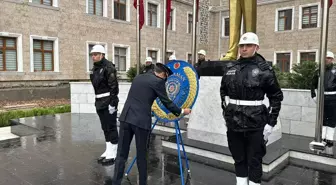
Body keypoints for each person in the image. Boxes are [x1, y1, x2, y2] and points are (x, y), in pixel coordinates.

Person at [220, 32, 283, 185]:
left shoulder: (264, 69)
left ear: (256, 47)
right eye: (242, 45)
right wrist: (226, 113)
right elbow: (223, 91)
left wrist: (271, 122)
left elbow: (276, 96)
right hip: (234, 121)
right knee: (238, 158)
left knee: (255, 160)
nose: (244, 48)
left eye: (248, 45)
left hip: (256, 122)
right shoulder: (230, 67)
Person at [112, 63, 191, 185]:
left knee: (121, 154)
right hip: (141, 122)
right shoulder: (157, 82)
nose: (165, 81)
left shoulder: (138, 77)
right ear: (163, 75)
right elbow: (166, 102)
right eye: (165, 78)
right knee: (142, 155)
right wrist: (181, 111)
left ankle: (115, 182)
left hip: (126, 118)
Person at [89, 45, 119, 165]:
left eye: (96, 54)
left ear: (102, 55)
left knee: (111, 127)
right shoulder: (95, 68)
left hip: (108, 101)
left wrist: (112, 103)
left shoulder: (109, 67)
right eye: (92, 54)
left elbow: (114, 86)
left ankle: (114, 153)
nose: (93, 56)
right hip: (99, 102)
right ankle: (108, 150)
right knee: (104, 127)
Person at [311, 51, 335, 148]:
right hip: (322, 97)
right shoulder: (318, 71)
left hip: (333, 98)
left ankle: (329, 139)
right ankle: (322, 137)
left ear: (332, 59)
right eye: (325, 58)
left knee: (332, 119)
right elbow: (313, 84)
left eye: (329, 58)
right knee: (322, 119)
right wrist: (313, 96)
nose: (327, 60)